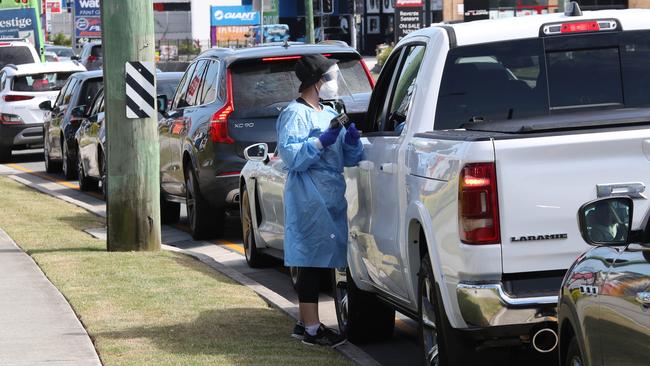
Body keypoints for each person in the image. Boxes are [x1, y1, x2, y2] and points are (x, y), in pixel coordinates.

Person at [276, 54, 363, 347]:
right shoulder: (294, 114)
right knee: (310, 262)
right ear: (315, 82)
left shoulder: (328, 112)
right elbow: (292, 157)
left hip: (330, 196)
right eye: (330, 78)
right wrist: (320, 141)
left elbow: (348, 158)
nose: (334, 83)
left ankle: (304, 323)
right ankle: (312, 329)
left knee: (322, 260)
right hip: (308, 198)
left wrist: (351, 140)